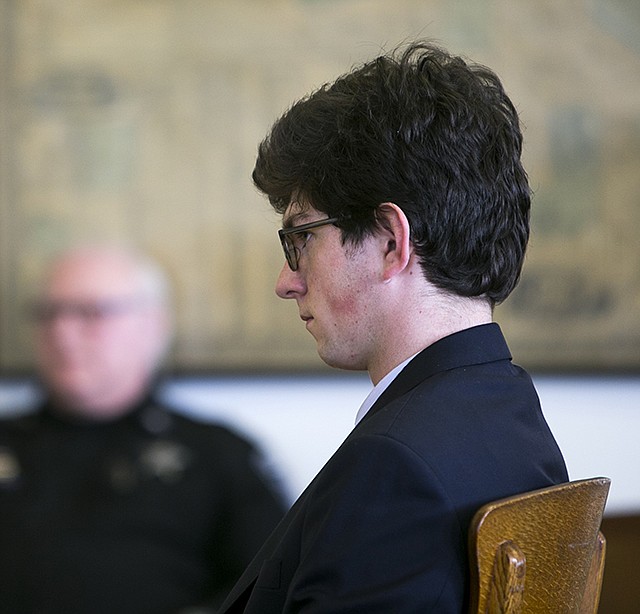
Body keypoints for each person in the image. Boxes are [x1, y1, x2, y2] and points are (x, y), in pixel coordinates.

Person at [217, 41, 569, 613]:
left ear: (388, 241)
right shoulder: (506, 411)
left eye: (301, 238)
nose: (286, 281)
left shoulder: (394, 468)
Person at [0, 245, 288, 614]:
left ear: (153, 325)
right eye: (49, 313)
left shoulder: (217, 455)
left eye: (92, 313)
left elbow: (275, 584)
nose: (63, 333)